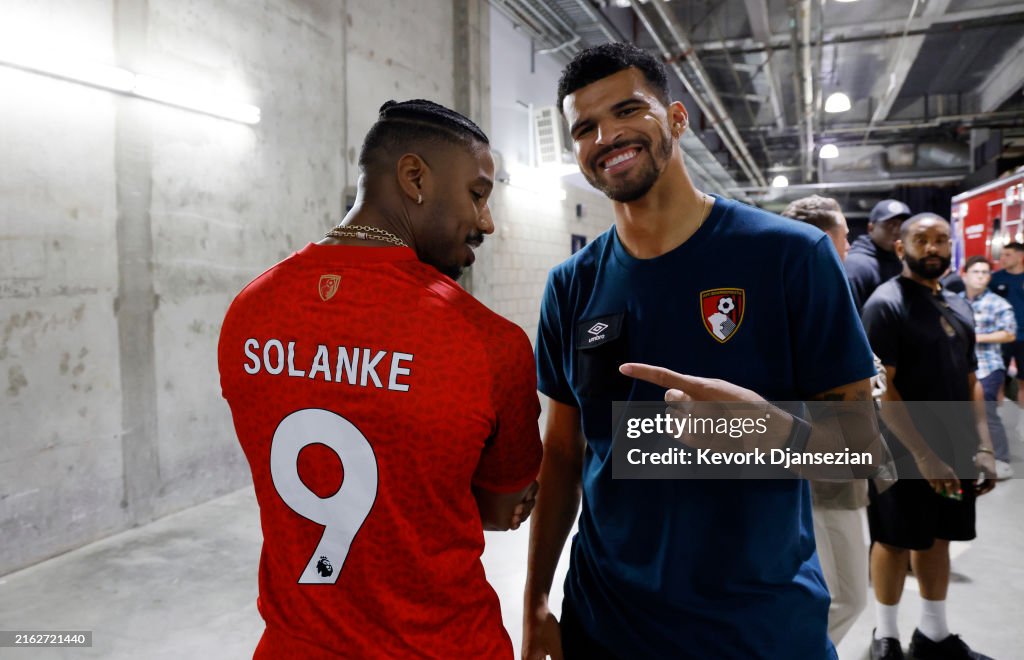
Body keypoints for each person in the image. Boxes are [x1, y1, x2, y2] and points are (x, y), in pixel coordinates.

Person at [524, 43, 880, 660]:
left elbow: (859, 448)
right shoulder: (570, 285)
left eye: (629, 110)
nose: (607, 136)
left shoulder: (791, 257)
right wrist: (534, 605)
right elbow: (561, 455)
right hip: (606, 622)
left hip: (758, 629)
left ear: (678, 119)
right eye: (585, 127)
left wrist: (776, 434)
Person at [218, 99, 542, 659]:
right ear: (415, 177)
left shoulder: (248, 310)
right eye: (478, 193)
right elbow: (498, 509)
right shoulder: (488, 342)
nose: (486, 221)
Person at [861, 213, 998, 660]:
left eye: (942, 240)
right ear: (901, 249)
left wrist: (983, 444)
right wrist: (923, 456)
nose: (934, 248)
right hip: (900, 448)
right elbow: (883, 390)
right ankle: (886, 638)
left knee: (940, 534)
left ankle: (933, 635)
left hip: (954, 444)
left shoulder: (959, 304)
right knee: (895, 539)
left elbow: (972, 379)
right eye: (922, 240)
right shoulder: (886, 304)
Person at [781, 194, 871, 645]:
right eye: (844, 236)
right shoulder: (801, 296)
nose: (849, 247)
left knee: (839, 593)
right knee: (846, 596)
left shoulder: (825, 291)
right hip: (821, 474)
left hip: (839, 467)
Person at [961, 256, 1016, 479]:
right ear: (965, 274)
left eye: (985, 272)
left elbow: (1009, 333)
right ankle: (976, 453)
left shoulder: (997, 303)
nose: (981, 276)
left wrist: (976, 337)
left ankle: (1001, 458)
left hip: (988, 367)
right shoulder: (955, 300)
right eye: (976, 271)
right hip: (962, 368)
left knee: (987, 413)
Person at [846, 199, 912, 311]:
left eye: (902, 226)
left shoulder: (904, 260)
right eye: (890, 225)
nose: (897, 231)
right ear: (871, 228)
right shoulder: (856, 265)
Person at [990, 242, 1024, 405]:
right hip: (1001, 339)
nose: (1003, 258)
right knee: (999, 380)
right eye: (1002, 254)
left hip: (1023, 339)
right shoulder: (995, 279)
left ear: (1020, 256)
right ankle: (1000, 417)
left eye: (1008, 255)